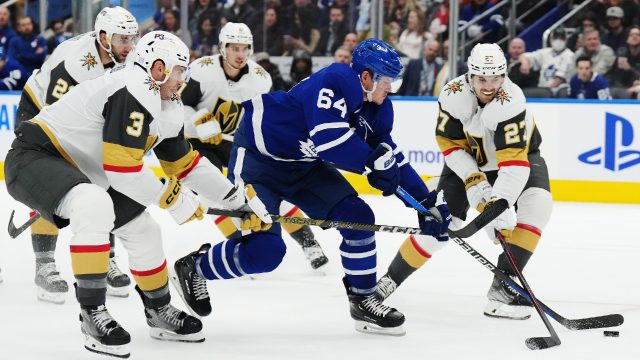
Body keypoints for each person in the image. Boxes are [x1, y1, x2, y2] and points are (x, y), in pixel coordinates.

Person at [4, 30, 272, 358]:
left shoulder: (164, 104)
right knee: (94, 204)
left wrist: (237, 200)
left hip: (85, 172)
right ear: (157, 68)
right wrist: (170, 197)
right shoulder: (135, 85)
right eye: (179, 70)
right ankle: (92, 312)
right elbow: (122, 170)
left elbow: (186, 165)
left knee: (144, 230)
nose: (183, 79)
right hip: (37, 157)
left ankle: (159, 310)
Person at [171, 38, 451, 336]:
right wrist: (371, 162)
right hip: (258, 160)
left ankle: (363, 299)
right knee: (265, 251)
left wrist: (425, 202)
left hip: (304, 166)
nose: (390, 89)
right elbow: (328, 141)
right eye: (387, 81)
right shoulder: (336, 79)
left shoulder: (379, 109)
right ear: (367, 76)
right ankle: (195, 267)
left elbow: (390, 157)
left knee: (359, 219)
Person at [374, 43, 552, 322]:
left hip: (521, 158)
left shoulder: (512, 100)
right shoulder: (453, 94)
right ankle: (388, 281)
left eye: (495, 78)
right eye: (482, 78)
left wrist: (498, 205)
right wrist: (473, 181)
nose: (489, 86)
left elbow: (514, 163)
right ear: (470, 75)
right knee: (443, 224)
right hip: (469, 160)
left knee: (538, 205)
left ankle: (503, 289)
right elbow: (450, 144)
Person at [180, 22, 329, 270]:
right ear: (222, 48)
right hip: (201, 143)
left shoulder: (261, 79)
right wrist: (197, 120)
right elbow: (177, 106)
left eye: (245, 48)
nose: (240, 54)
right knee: (215, 193)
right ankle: (240, 244)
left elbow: (268, 118)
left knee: (270, 193)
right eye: (234, 48)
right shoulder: (201, 70)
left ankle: (307, 241)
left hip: (240, 144)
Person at [15, 6, 139, 304]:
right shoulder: (75, 62)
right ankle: (44, 264)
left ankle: (104, 257)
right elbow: (55, 117)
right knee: (52, 183)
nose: (130, 46)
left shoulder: (128, 58)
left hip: (90, 117)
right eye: (123, 39)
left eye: (132, 39)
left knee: (102, 186)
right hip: (42, 115)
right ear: (104, 37)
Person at [518, 29, 574, 94]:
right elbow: (524, 56)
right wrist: (525, 63)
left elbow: (559, 80)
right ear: (551, 39)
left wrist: (544, 92)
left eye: (561, 38)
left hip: (557, 92)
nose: (558, 40)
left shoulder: (570, 55)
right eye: (555, 38)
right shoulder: (545, 52)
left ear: (566, 40)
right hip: (542, 90)